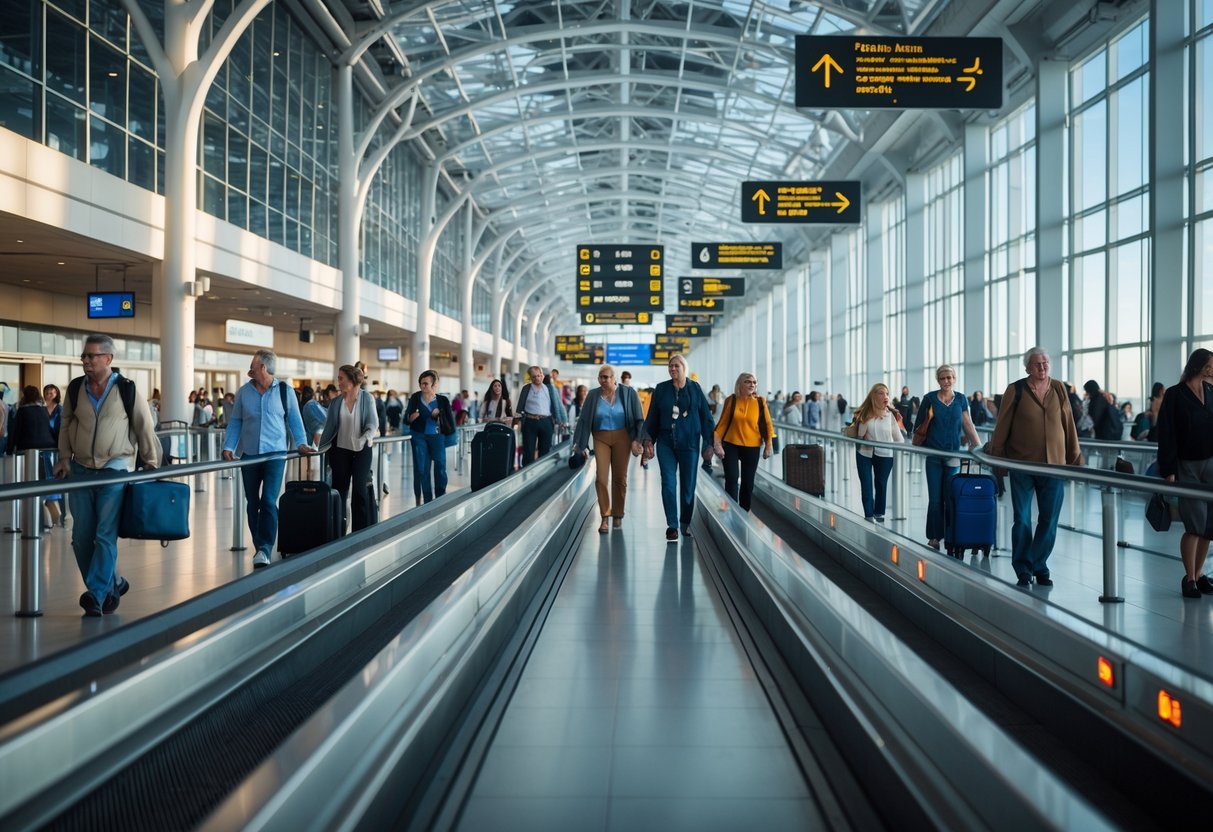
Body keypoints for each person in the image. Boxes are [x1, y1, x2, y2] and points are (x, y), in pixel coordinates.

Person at [54, 334, 160, 615]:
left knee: (104, 535)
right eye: (84, 356)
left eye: (92, 356)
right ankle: (114, 581)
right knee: (80, 536)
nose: (86, 361)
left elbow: (143, 424)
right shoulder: (76, 388)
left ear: (108, 359)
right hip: (81, 468)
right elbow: (65, 423)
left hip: (115, 468)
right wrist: (64, 457)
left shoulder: (127, 389)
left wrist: (150, 459)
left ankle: (97, 594)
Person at [986, 347, 1083, 587]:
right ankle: (1023, 569)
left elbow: (1068, 422)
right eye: (1037, 364)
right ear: (1028, 367)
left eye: (1046, 363)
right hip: (1022, 464)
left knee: (1049, 519)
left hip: (1054, 465)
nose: (1043, 367)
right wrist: (998, 459)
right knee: (1022, 519)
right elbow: (1002, 425)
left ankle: (1038, 564)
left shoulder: (1059, 388)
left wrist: (1075, 456)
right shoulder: (1016, 390)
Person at [222, 349, 314, 569]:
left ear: (263, 367)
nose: (250, 368)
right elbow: (236, 421)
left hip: (275, 454)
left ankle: (265, 548)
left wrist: (301, 443)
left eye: (253, 365)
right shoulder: (244, 392)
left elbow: (294, 420)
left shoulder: (284, 391)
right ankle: (259, 546)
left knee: (268, 500)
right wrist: (228, 446)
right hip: (250, 456)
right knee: (252, 502)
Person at [1154, 349, 1213, 598]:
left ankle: (1199, 575)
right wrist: (1168, 469)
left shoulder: (1211, 392)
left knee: (1209, 525)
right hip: (1186, 464)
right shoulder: (1175, 395)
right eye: (1209, 365)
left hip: (1211, 462)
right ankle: (1188, 578)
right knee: (1194, 523)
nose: (1212, 369)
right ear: (1197, 365)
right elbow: (1166, 433)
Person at [642, 354, 715, 541]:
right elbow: (652, 417)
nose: (673, 369)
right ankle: (672, 525)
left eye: (676, 366)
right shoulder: (661, 389)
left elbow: (706, 418)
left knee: (688, 485)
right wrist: (648, 440)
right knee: (668, 482)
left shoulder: (695, 389)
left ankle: (685, 522)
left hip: (689, 442)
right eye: (670, 366)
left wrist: (709, 443)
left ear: (684, 368)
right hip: (666, 442)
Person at [914, 365, 983, 548]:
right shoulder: (929, 399)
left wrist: (978, 447)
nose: (946, 381)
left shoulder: (960, 399)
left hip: (953, 456)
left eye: (950, 378)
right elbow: (919, 424)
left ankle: (951, 535)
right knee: (935, 499)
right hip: (934, 455)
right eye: (943, 378)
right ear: (938, 380)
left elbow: (968, 424)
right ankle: (934, 536)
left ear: (954, 379)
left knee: (951, 497)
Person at [571, 365, 645, 532]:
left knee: (620, 478)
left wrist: (637, 440)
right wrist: (579, 444)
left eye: (606, 377)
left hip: (622, 437)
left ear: (614, 378)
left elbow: (640, 419)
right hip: (600, 437)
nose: (602, 380)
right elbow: (583, 421)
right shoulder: (593, 395)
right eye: (600, 377)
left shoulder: (629, 393)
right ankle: (605, 516)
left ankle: (618, 514)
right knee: (601, 478)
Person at [317, 365, 378, 532]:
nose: (339, 381)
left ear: (351, 381)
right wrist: (319, 448)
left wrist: (365, 438)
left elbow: (372, 423)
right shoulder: (336, 402)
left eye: (341, 378)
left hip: (362, 448)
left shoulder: (367, 399)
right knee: (339, 489)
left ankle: (361, 532)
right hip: (340, 450)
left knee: (359, 488)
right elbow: (329, 428)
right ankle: (338, 529)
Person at [712, 372, 775, 512]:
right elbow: (721, 424)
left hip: (752, 446)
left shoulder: (760, 402)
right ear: (739, 384)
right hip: (731, 444)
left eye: (754, 382)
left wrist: (768, 445)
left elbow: (767, 424)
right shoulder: (731, 400)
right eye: (748, 381)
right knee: (732, 478)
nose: (752, 384)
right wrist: (717, 444)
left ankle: (744, 511)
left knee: (748, 483)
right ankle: (732, 510)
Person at [849, 383, 905, 522]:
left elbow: (899, 438)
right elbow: (859, 437)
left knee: (881, 483)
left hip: (885, 454)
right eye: (881, 393)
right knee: (866, 484)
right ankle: (869, 515)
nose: (885, 396)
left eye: (886, 393)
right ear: (874, 396)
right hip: (864, 452)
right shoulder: (865, 414)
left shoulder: (890, 416)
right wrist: (863, 431)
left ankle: (879, 513)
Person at [406, 369, 456, 504]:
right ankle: (427, 500)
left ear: (434, 384)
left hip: (437, 436)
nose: (422, 386)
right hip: (419, 436)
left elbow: (450, 421)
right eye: (421, 383)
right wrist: (411, 418)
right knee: (422, 469)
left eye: (426, 384)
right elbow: (407, 418)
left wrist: (438, 415)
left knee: (440, 466)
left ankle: (440, 497)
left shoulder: (442, 400)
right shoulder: (415, 398)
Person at [515, 365, 565, 465]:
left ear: (542, 376)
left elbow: (558, 405)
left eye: (539, 375)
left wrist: (561, 420)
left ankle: (543, 474)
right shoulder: (526, 388)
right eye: (534, 376)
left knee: (545, 451)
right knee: (528, 451)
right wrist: (517, 421)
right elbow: (519, 407)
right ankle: (527, 475)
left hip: (546, 421)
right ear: (530, 378)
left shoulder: (550, 388)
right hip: (530, 421)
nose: (537, 378)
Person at [43, 383, 65, 527]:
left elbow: (62, 428)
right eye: (47, 392)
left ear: (57, 394)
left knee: (58, 477)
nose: (50, 394)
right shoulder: (42, 409)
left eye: (52, 392)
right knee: (46, 475)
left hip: (57, 447)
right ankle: (49, 507)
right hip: (45, 447)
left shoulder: (60, 409)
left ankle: (61, 515)